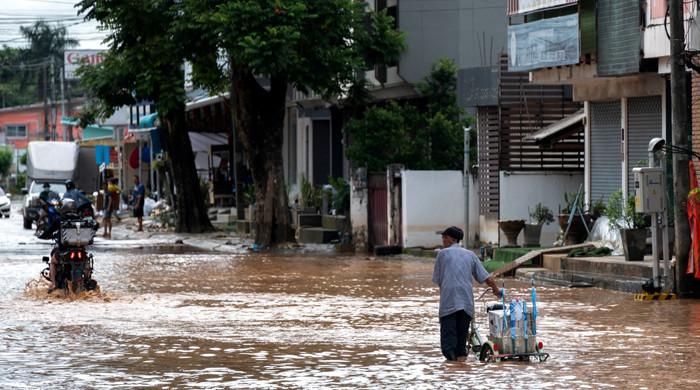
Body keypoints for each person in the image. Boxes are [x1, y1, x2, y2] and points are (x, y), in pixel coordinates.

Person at [432, 226, 501, 362]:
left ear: (451, 239)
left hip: (448, 303)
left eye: (444, 237)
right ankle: (461, 368)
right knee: (461, 343)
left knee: (448, 345)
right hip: (466, 303)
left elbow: (439, 281)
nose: (443, 240)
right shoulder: (470, 255)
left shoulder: (442, 254)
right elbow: (486, 278)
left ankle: (452, 369)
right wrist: (496, 290)